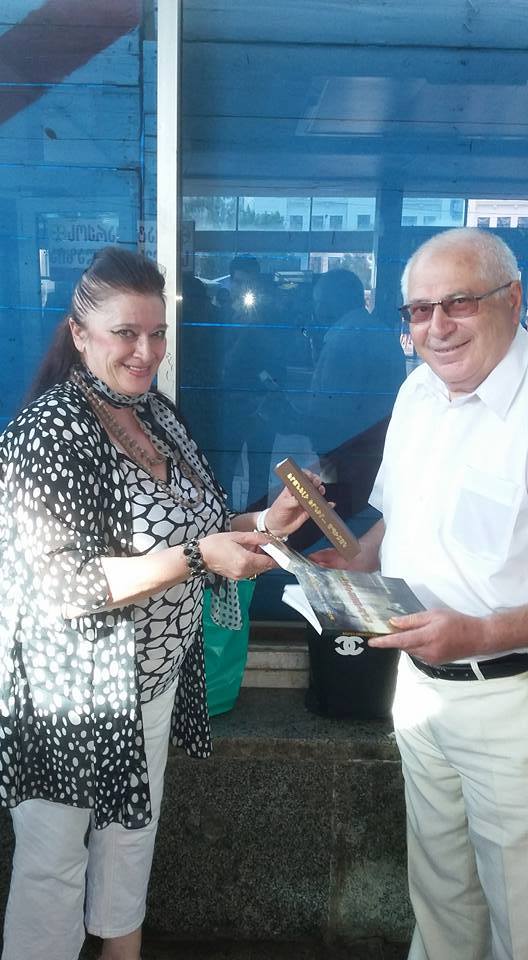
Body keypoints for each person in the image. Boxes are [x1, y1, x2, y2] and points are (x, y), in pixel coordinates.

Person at [0, 246, 320, 960]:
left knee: (130, 834)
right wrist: (200, 558)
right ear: (80, 334)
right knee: (53, 866)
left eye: (156, 333)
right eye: (125, 333)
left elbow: (197, 525)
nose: (146, 352)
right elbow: (64, 583)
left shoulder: (156, 415)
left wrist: (265, 523)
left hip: (150, 678)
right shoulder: (50, 431)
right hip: (67, 690)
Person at [312, 228, 528, 960]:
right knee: (438, 895)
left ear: (513, 299)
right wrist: (356, 561)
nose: (437, 327)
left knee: (520, 910)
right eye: (419, 310)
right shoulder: (417, 393)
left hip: (510, 700)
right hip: (420, 689)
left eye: (458, 303)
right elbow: (399, 516)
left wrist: (482, 634)